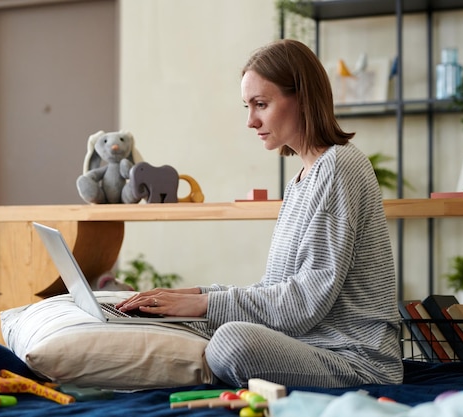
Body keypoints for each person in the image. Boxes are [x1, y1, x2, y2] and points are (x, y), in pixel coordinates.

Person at [117, 39, 403, 388]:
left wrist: (206, 305)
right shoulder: (303, 180)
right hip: (312, 348)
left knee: (232, 341)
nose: (251, 121)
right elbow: (275, 290)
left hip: (358, 362)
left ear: (302, 98)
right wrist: (192, 295)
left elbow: (304, 303)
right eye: (247, 106)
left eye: (261, 104)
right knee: (155, 313)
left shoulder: (339, 167)